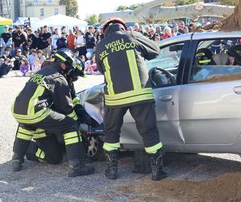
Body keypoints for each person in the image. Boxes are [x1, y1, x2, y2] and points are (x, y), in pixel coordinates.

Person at [95, 17, 167, 181]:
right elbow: (155, 50)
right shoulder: (132, 36)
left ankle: (112, 171)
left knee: (111, 133)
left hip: (115, 98)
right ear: (123, 27)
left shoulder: (101, 46)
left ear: (105, 32)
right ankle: (157, 171)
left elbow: (100, 68)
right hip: (140, 95)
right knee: (149, 132)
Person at [10, 48, 95, 177]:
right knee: (70, 126)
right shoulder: (59, 78)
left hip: (18, 110)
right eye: (73, 71)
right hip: (36, 112)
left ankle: (17, 159)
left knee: (27, 126)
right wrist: (79, 123)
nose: (74, 76)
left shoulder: (43, 71)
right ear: (64, 64)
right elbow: (66, 109)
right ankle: (77, 166)